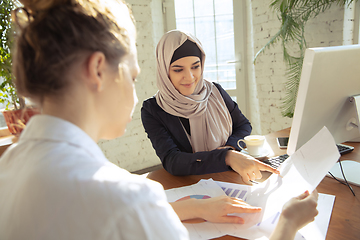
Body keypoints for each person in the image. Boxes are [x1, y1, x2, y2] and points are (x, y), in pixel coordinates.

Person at [0, 1, 318, 239]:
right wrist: (288, 223)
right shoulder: (126, 200)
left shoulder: (10, 165)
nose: (136, 94)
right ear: (98, 70)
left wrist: (191, 206)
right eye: (133, 76)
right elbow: (128, 203)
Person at [141, 30, 279, 182]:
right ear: (164, 70)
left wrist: (230, 148)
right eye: (178, 69)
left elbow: (243, 125)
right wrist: (226, 157)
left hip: (230, 176)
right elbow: (172, 160)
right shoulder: (153, 109)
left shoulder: (215, 92)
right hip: (191, 184)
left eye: (195, 66)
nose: (190, 76)